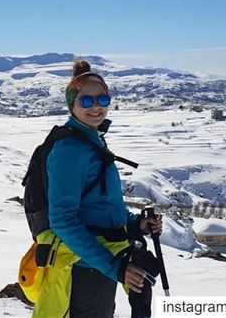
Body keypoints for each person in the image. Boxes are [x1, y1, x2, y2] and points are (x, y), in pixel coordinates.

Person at [43, 58, 162, 317]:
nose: (96, 107)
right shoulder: (69, 150)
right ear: (72, 105)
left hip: (100, 262)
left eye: (102, 100)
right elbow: (62, 221)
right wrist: (115, 267)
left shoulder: (92, 141)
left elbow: (101, 208)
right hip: (84, 266)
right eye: (86, 101)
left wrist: (135, 224)